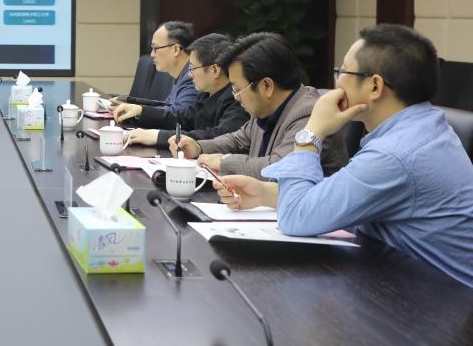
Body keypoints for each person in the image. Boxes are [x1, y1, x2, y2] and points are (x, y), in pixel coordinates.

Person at [214, 25, 473, 288]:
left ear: (374, 86)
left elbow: (294, 219)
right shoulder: (423, 127)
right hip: (407, 280)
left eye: (343, 72)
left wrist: (312, 131)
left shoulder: (395, 154)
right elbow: (344, 197)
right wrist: (264, 194)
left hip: (443, 301)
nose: (336, 82)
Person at [172, 32, 348, 178]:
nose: (236, 97)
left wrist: (224, 162)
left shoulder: (308, 113)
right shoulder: (266, 109)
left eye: (237, 89)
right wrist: (198, 147)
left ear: (266, 86)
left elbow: (279, 167)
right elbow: (238, 139)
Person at [125, 33, 249, 147]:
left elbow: (219, 137)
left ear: (214, 70)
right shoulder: (206, 94)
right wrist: (141, 112)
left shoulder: (238, 100)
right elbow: (183, 118)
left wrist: (159, 137)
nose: (190, 74)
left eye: (192, 68)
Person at [111, 21, 200, 125]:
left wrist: (141, 110)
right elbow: (166, 107)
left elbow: (181, 115)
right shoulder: (182, 74)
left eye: (155, 48)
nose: (152, 54)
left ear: (175, 49)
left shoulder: (193, 75)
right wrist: (131, 105)